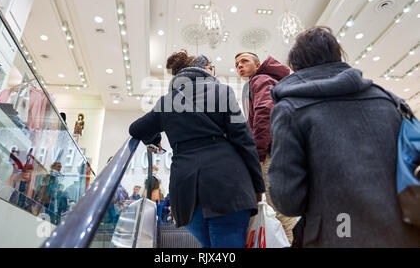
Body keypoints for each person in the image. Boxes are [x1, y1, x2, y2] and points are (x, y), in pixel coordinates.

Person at [268, 26, 420, 247]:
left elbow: (288, 200)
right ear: (337, 57)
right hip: (404, 232)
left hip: (337, 234)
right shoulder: (389, 100)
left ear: (296, 67)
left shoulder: (289, 109)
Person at [129, 50, 265, 248]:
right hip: (228, 185)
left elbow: (136, 129)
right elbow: (244, 140)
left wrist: (154, 140)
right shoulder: (223, 93)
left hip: (186, 193)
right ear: (204, 70)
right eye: (212, 68)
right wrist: (258, 186)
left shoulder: (166, 102)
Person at [235, 51, 297, 243]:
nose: (239, 66)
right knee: (279, 211)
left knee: (281, 213)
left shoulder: (259, 79)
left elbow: (264, 113)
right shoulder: (259, 81)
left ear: (258, 64)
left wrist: (258, 152)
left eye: (244, 61)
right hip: (278, 151)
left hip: (270, 153)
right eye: (237, 64)